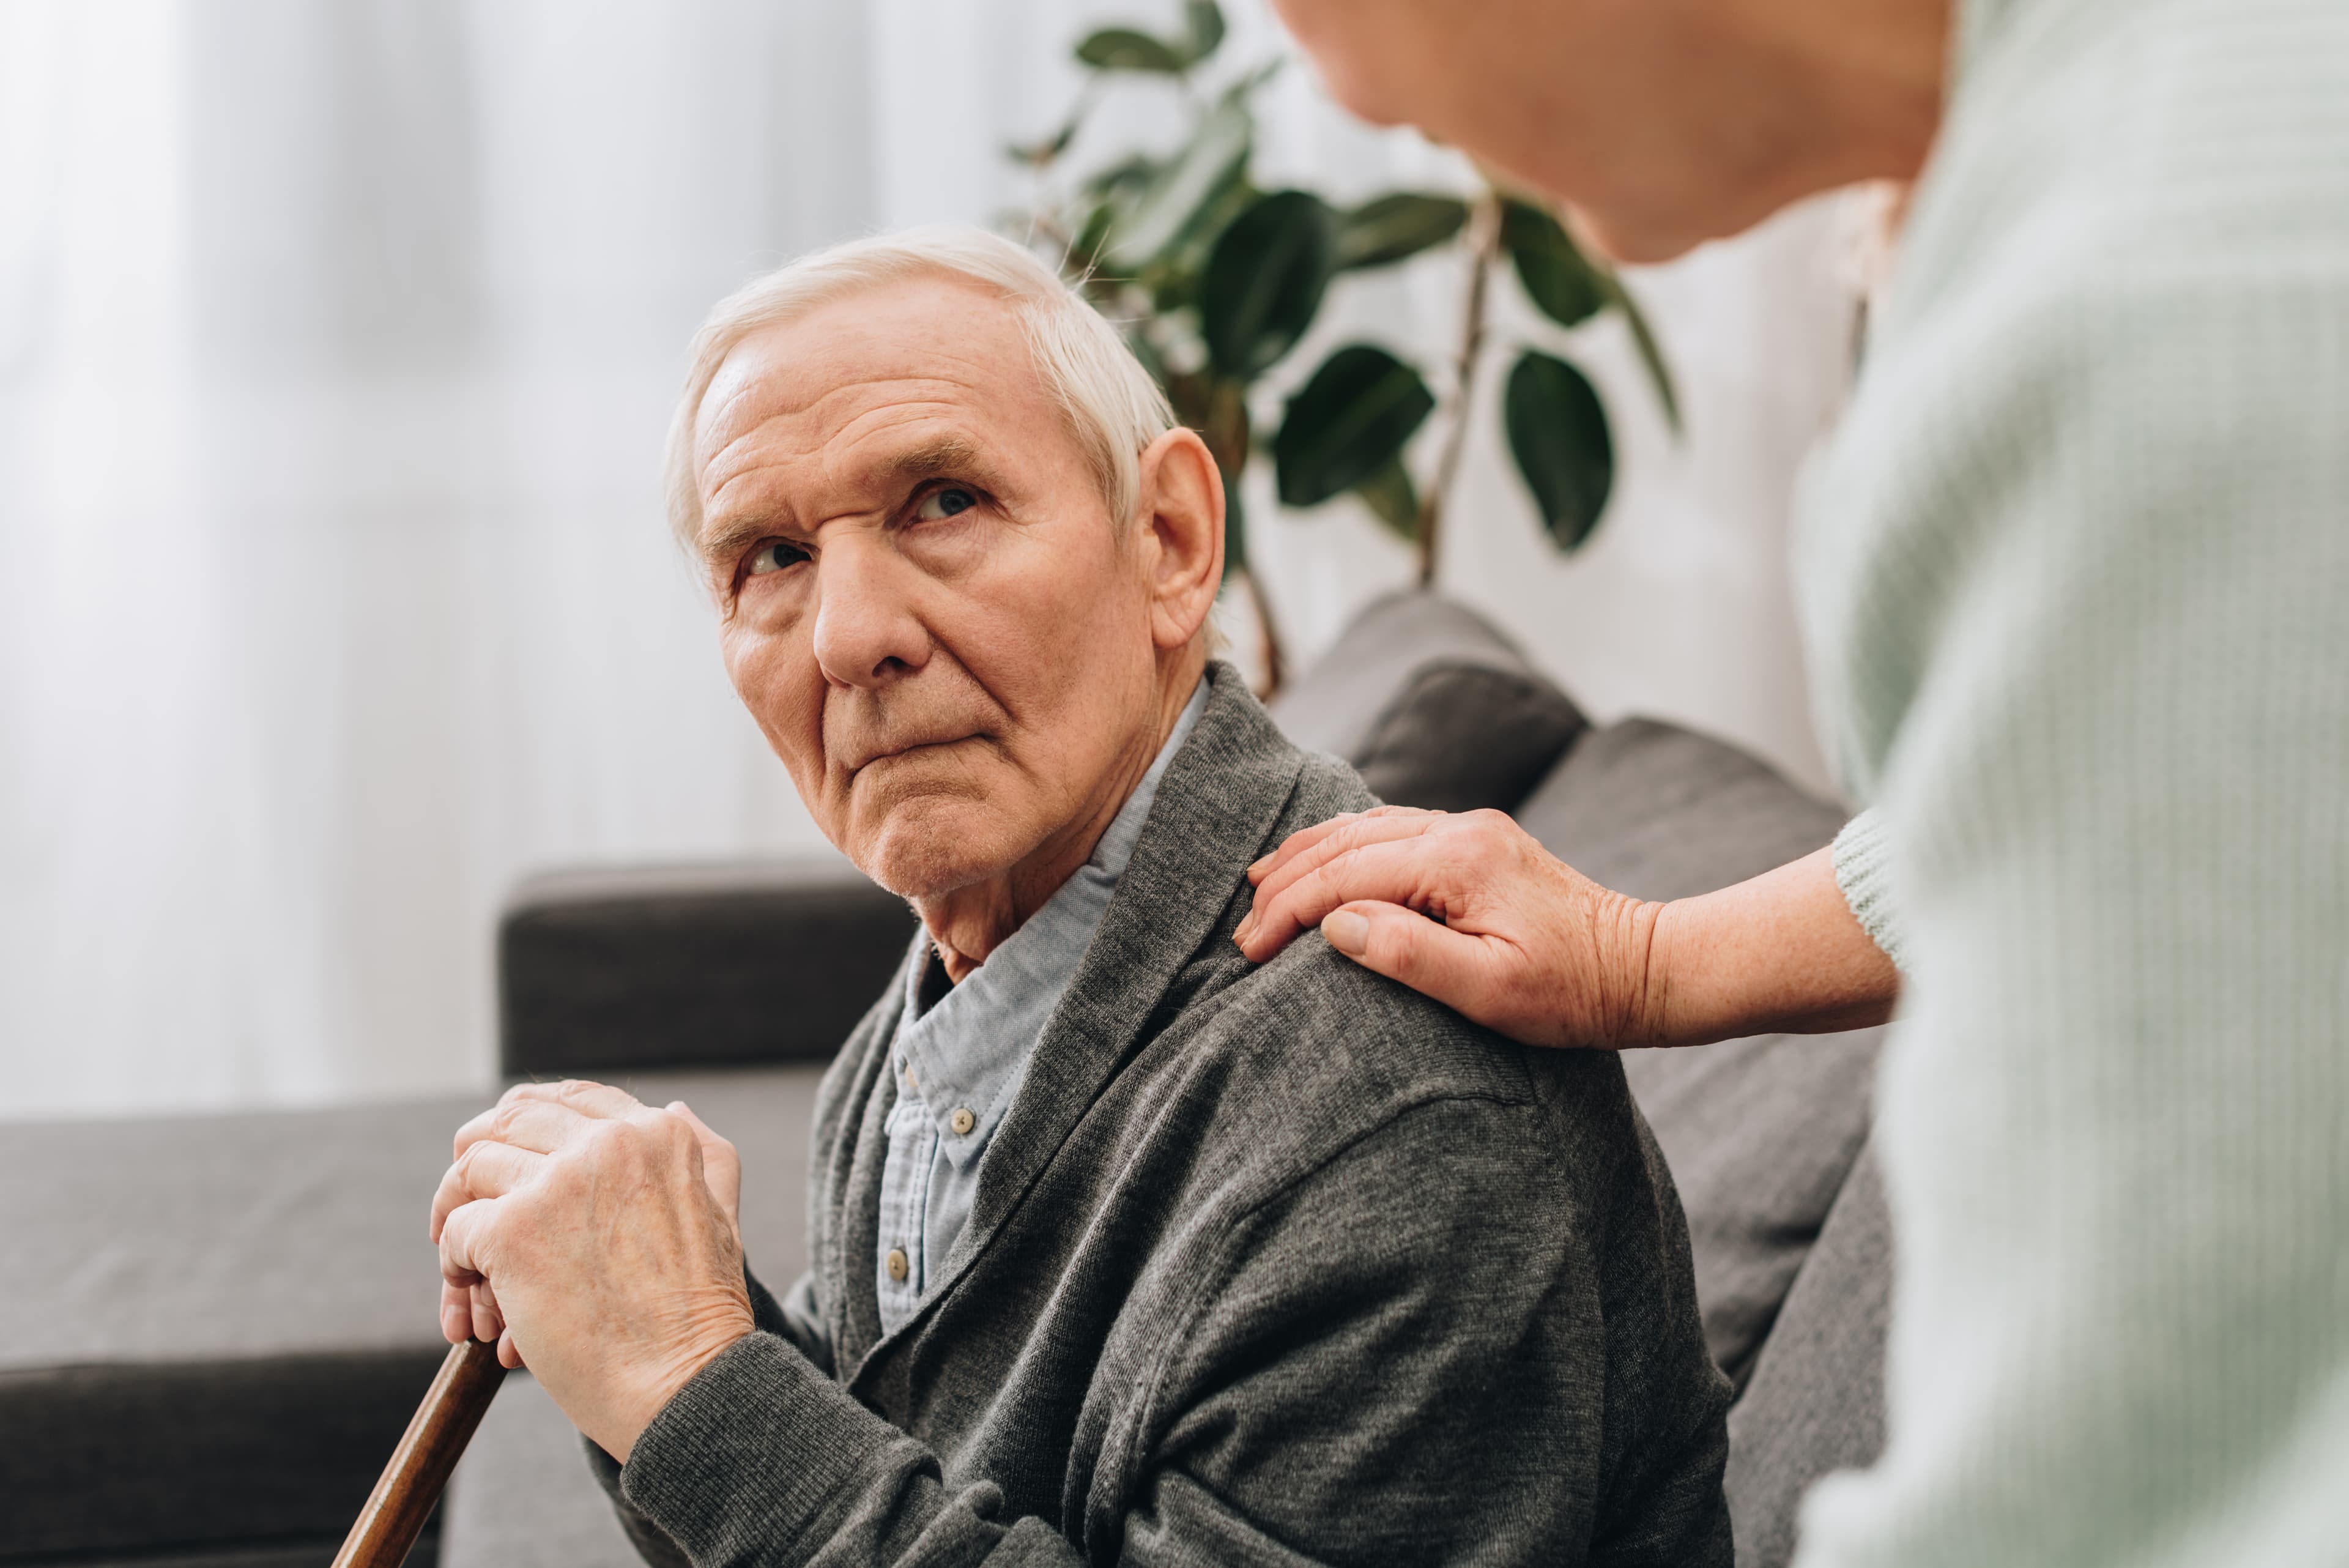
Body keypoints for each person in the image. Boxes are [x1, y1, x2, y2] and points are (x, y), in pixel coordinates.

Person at [428, 228, 1734, 1567]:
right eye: (770, 556)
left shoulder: (1393, 1120)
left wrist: (693, 1384)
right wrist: (646, 1303)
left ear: (1169, 541)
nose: (848, 636)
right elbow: (890, 1471)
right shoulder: (954, 997)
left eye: (943, 501)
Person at [1245, 1, 2349, 1565]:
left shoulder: (2155, 319)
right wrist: (1649, 956)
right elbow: (2174, 769)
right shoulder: (2181, 132)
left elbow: (2119, 1498)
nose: (1333, 81)